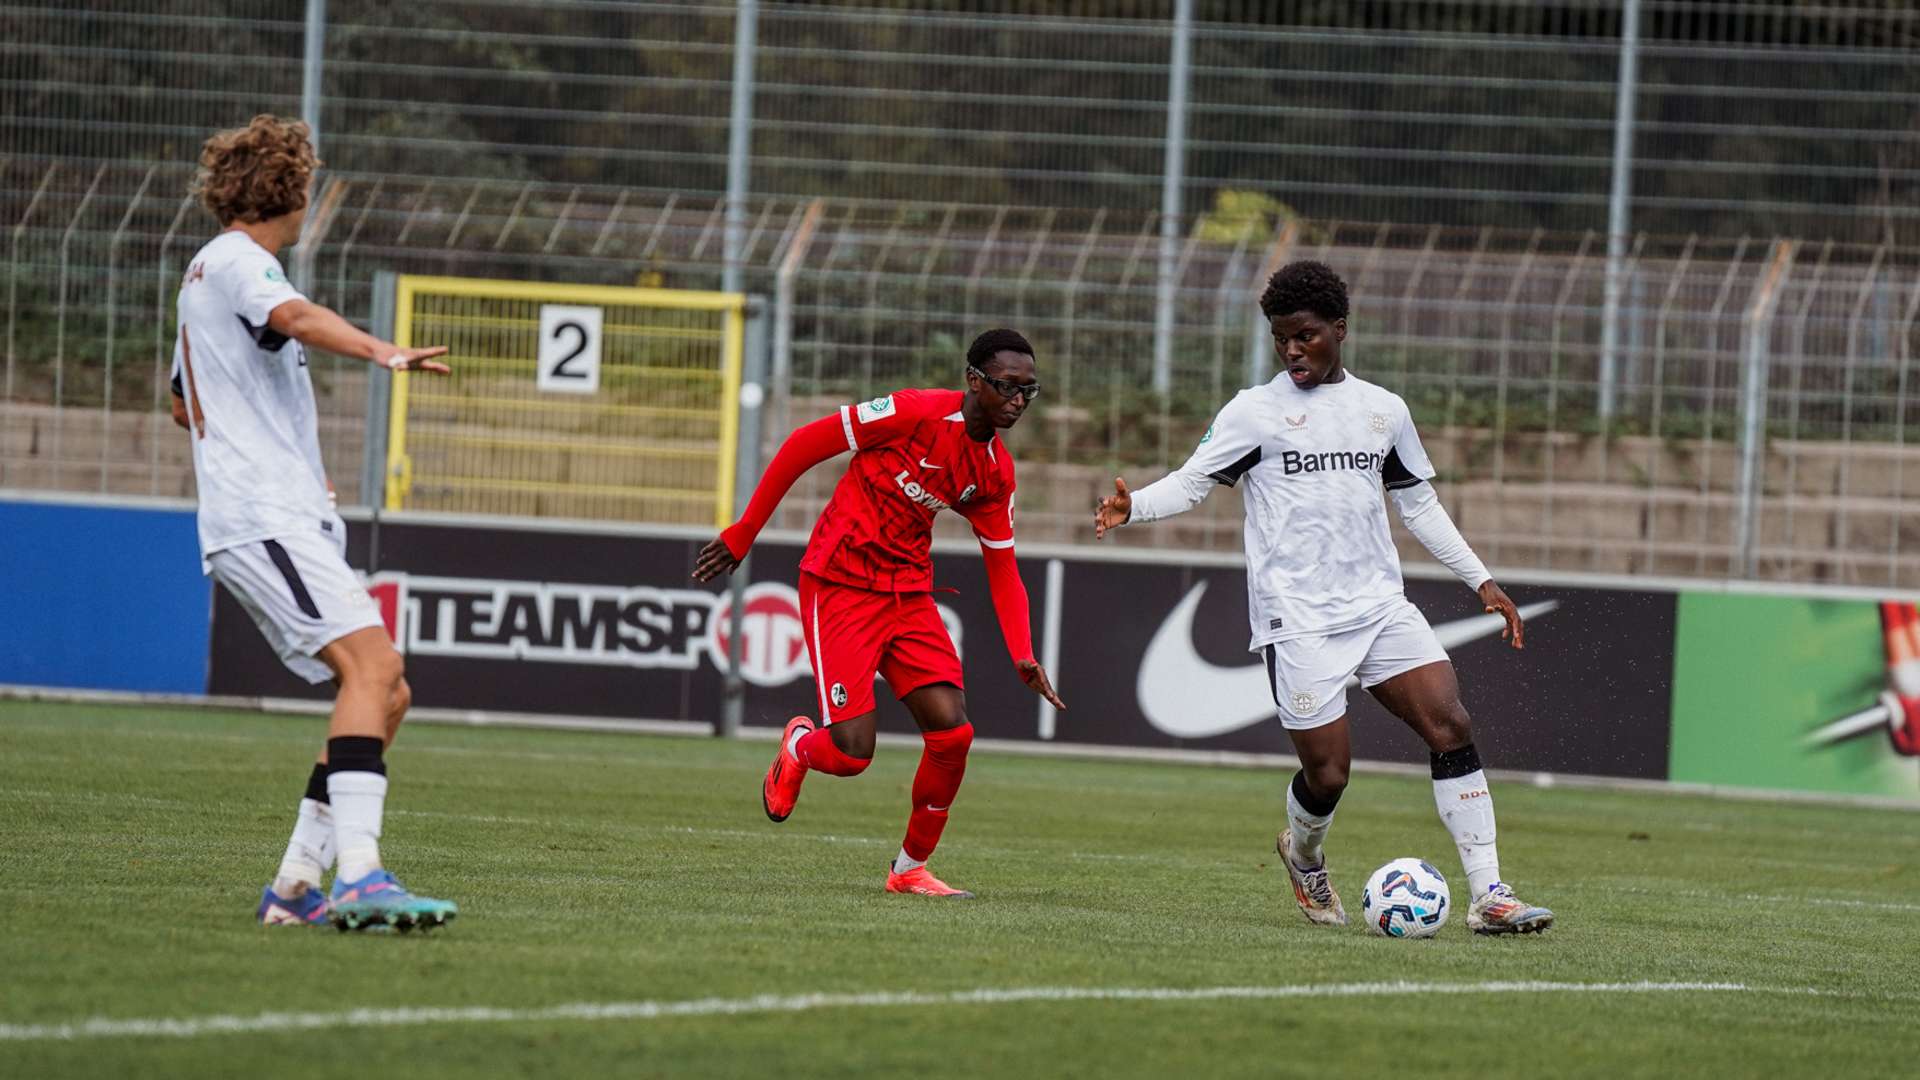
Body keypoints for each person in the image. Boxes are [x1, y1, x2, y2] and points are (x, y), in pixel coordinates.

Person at [1093, 260, 1553, 935]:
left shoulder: (1382, 410)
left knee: (1450, 725)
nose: (1292, 350)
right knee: (1330, 774)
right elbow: (1193, 482)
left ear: (1340, 328)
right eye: (1281, 339)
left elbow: (1419, 506)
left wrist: (1479, 579)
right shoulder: (1255, 412)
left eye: (1305, 335)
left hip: (1378, 607)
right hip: (1298, 620)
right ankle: (1304, 854)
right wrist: (1133, 510)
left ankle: (1490, 896)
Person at [169, 114, 456, 932]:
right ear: (292, 194)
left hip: (272, 507)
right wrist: (384, 352)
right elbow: (293, 317)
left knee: (386, 691)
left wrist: (276, 446)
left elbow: (182, 400)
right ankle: (361, 877)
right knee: (375, 665)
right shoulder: (237, 263)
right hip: (263, 514)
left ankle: (294, 888)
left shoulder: (206, 275)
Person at [694, 329, 1066, 899]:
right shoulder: (912, 412)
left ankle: (909, 869)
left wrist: (1022, 651)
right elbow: (802, 444)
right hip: (838, 585)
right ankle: (798, 746)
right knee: (851, 755)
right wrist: (744, 533)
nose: (1017, 400)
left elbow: (1003, 566)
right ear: (973, 379)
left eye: (1028, 391)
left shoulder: (995, 472)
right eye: (1006, 387)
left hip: (908, 596)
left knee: (954, 732)